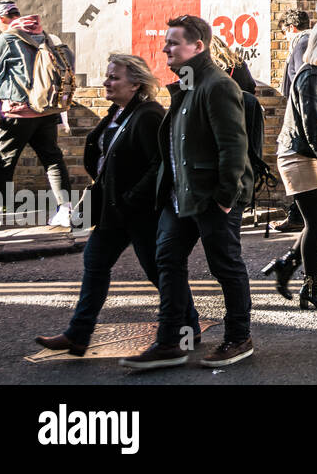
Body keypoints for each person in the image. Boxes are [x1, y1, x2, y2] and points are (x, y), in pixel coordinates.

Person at [35, 54, 201, 355]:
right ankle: (78, 334)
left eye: (114, 77)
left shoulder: (148, 115)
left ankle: (190, 327)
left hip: (140, 212)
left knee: (158, 271)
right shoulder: (117, 112)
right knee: (94, 264)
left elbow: (159, 164)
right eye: (108, 76)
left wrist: (132, 197)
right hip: (112, 211)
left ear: (135, 83)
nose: (106, 82)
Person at [120, 15, 255, 370]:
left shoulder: (217, 85)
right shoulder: (185, 86)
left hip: (212, 198)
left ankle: (239, 338)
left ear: (198, 46)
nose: (166, 48)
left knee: (225, 266)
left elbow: (233, 147)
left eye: (174, 42)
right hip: (180, 198)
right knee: (167, 261)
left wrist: (226, 197)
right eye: (166, 42)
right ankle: (170, 342)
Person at [262, 22, 317, 311]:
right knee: (316, 222)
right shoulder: (310, 76)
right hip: (299, 156)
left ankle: (288, 265)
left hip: (308, 156)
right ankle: (311, 286)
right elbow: (314, 128)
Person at [0, 1, 74, 229]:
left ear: (1, 18)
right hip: (47, 109)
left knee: (4, 160)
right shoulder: (45, 35)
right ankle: (65, 211)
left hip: (18, 111)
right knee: (52, 159)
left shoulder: (7, 39)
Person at [276, 9, 312, 233]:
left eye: (284, 33)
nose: (286, 38)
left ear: (291, 28)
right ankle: (300, 214)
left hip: (300, 119)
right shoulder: (308, 41)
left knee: (295, 165)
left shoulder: (302, 43)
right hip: (301, 118)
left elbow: (303, 82)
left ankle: (299, 215)